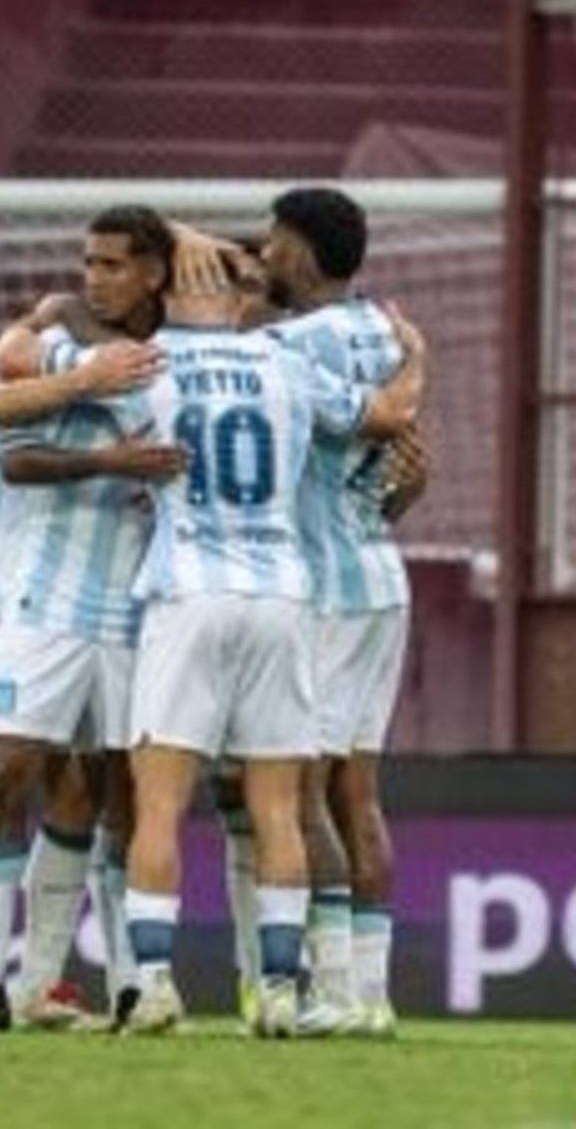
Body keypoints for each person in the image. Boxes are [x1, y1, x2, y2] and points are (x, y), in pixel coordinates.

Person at [108, 262, 425, 1037]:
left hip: (189, 590)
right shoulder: (286, 363)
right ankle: (280, 993)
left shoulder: (152, 358)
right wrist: (415, 355)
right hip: (282, 592)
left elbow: (30, 386)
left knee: (159, 803)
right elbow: (387, 415)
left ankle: (152, 983)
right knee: (281, 805)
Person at [0, 205, 186, 1030]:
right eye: (88, 263)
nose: (95, 279)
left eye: (113, 265)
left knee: (122, 795)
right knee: (4, 769)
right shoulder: (64, 336)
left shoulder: (184, 351)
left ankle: (129, 985)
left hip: (137, 608)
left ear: (155, 272)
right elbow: (9, 449)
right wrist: (105, 455)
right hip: (47, 597)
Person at [0, 331, 163, 1031]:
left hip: (88, 609)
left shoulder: (154, 371)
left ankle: (40, 984)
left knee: (85, 788)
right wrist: (79, 371)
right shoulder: (31, 363)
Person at [262, 186, 420, 1038]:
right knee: (360, 790)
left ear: (303, 249)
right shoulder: (388, 333)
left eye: (275, 239)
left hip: (318, 586)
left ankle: (331, 990)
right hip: (379, 576)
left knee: (301, 786)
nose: (263, 252)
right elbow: (402, 452)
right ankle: (372, 993)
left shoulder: (289, 345)